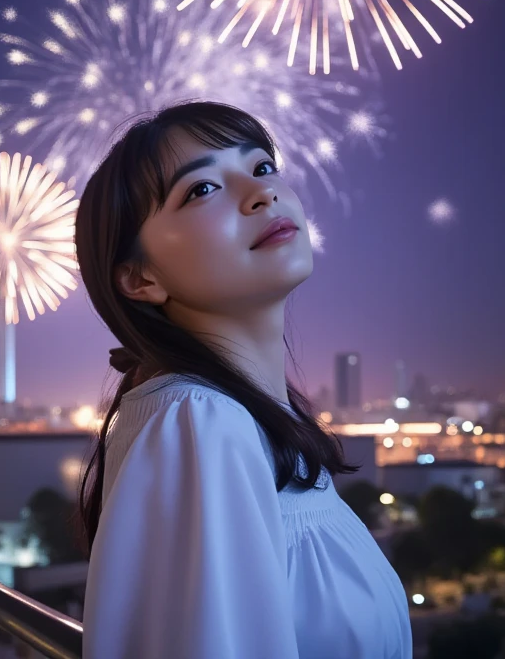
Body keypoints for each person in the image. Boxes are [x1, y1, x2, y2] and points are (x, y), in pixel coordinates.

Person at [76, 100, 413, 658]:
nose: (263, 193)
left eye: (261, 167)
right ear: (140, 278)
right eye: (201, 190)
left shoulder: (244, 423)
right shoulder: (198, 423)